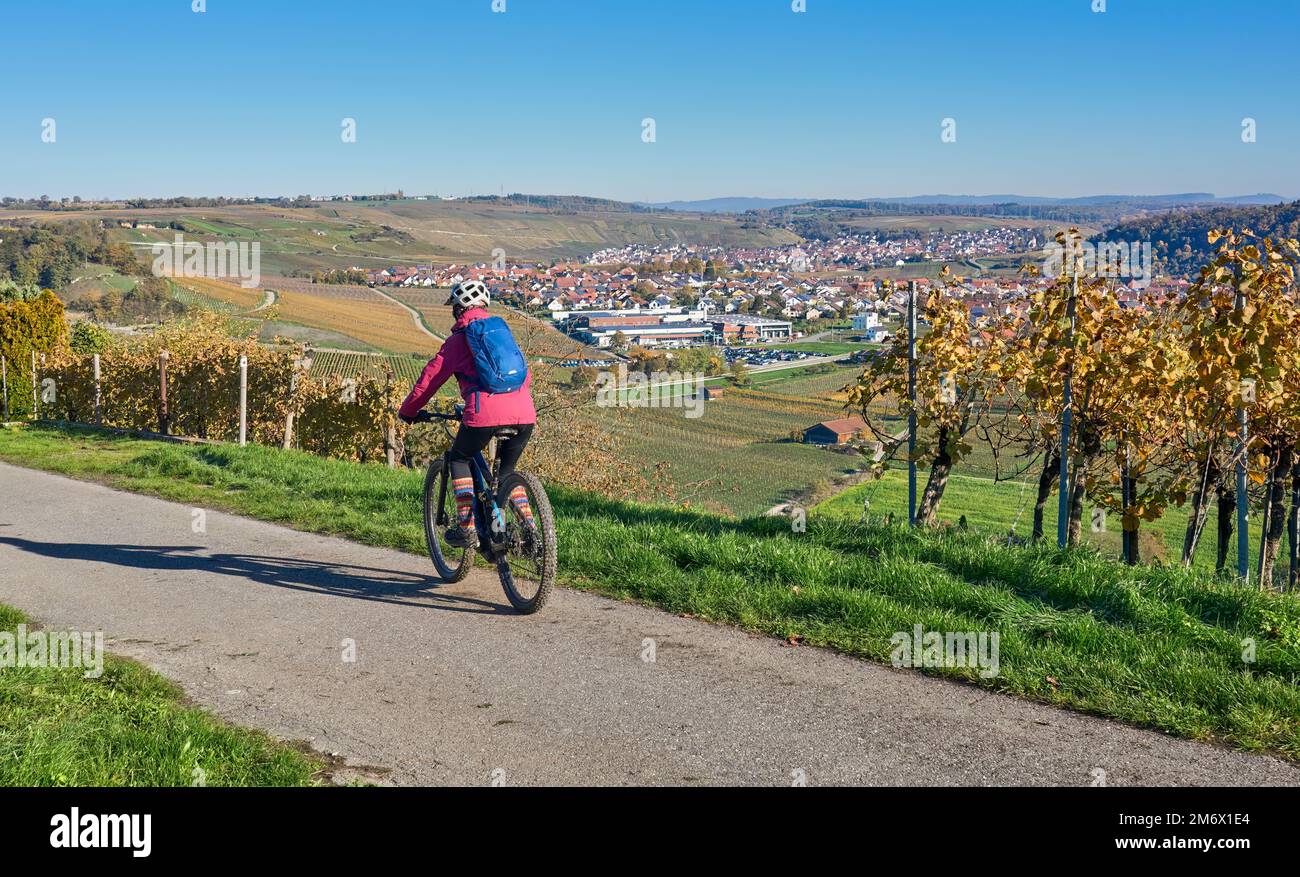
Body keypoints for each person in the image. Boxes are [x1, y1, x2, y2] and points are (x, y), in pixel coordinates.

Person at [398, 279, 537, 549]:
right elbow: (525, 376)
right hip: (524, 414)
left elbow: (429, 381)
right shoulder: (502, 334)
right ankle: (531, 531)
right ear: (484, 306)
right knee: (507, 474)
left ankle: (467, 527)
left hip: (483, 414)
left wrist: (408, 411)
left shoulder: (459, 340)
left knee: (459, 459)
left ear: (457, 309)